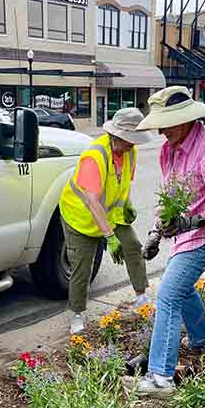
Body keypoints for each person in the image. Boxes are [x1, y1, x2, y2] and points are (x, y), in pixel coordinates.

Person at [130, 86, 205, 397]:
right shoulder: (168, 148)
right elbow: (169, 198)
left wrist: (195, 221)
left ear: (185, 120)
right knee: (181, 287)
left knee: (168, 293)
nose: (160, 131)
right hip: (187, 232)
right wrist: (156, 232)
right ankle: (204, 341)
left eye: (166, 123)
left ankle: (161, 378)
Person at [59, 107, 152, 334]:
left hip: (110, 214)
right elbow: (93, 202)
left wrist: (127, 204)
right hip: (79, 217)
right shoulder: (94, 157)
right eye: (130, 140)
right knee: (83, 264)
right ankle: (77, 314)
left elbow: (123, 182)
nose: (134, 144)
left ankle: (142, 297)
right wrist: (109, 237)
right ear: (116, 136)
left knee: (132, 246)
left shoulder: (130, 151)